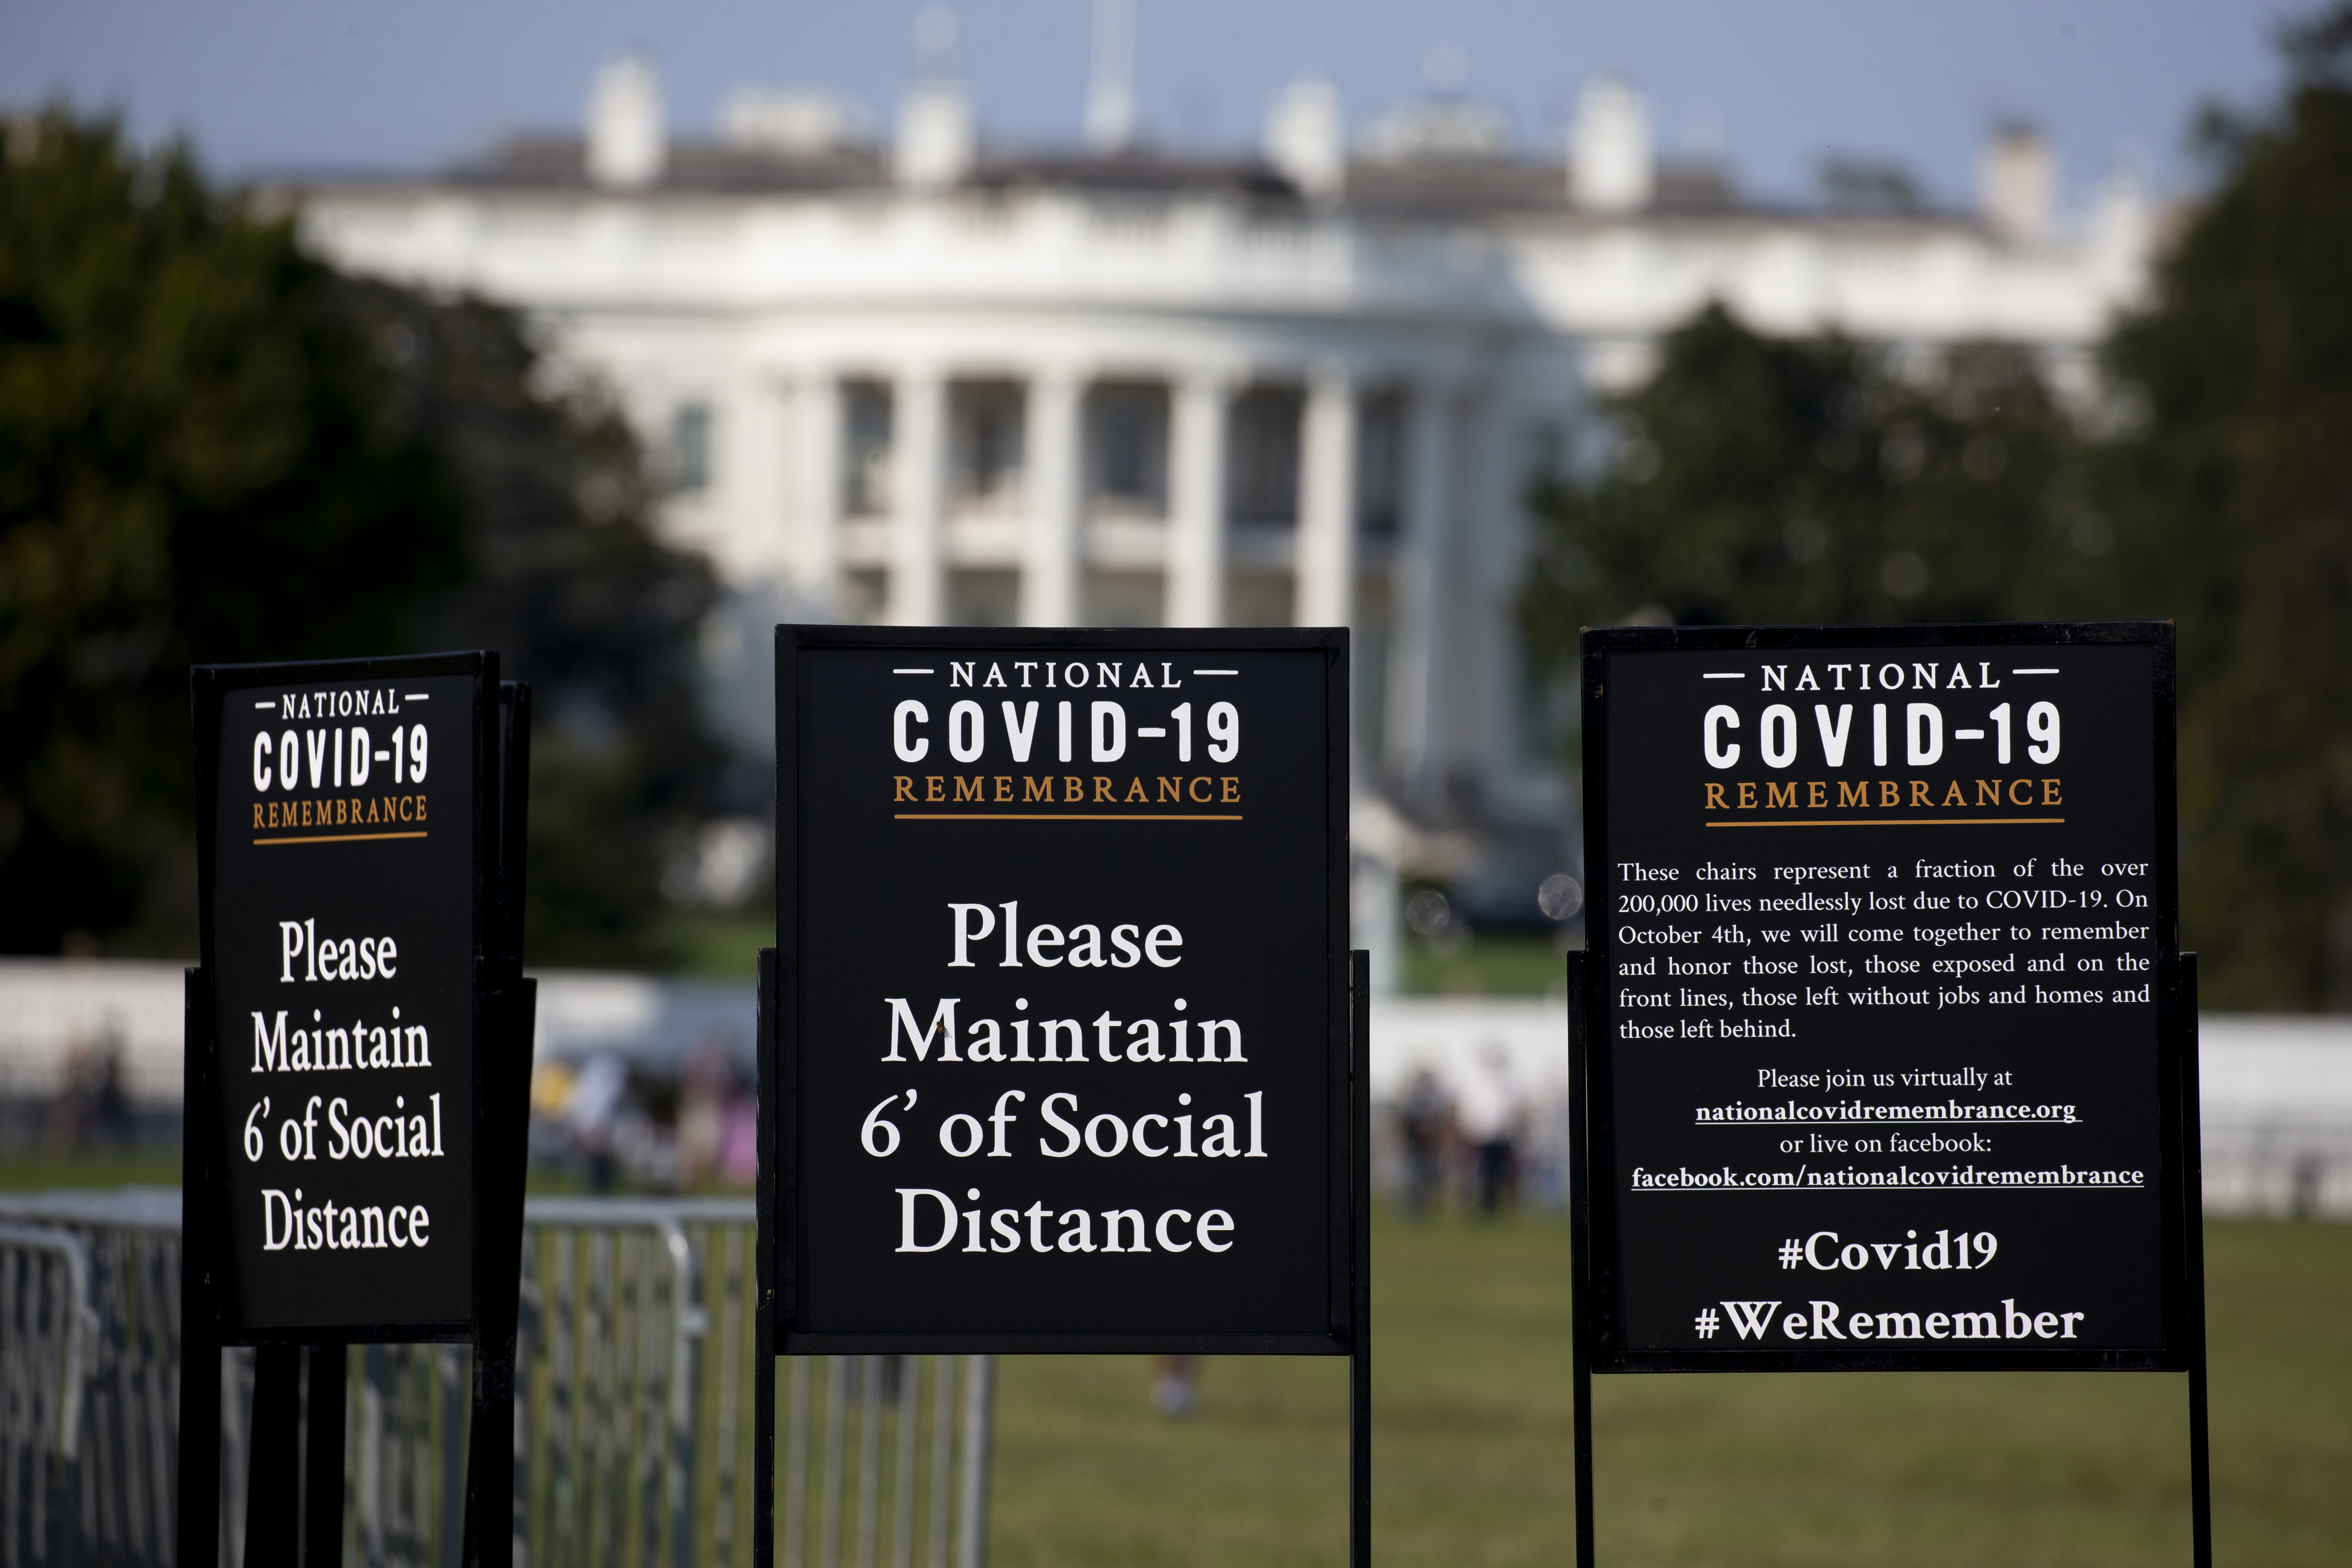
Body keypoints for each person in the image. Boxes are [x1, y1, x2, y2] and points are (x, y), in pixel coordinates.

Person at [1452, 1047, 1525, 1214]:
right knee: (1482, 1170)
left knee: (1495, 1171)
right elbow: (1472, 1108)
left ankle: (1491, 1202)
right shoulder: (1479, 1082)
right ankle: (1484, 1202)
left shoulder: (1504, 1082)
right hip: (1482, 1135)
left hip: (1496, 1135)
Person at [1398, 1067, 1449, 1215]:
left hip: (1428, 1144)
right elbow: (1406, 1121)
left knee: (1426, 1176)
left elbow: (1438, 1120)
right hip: (1414, 1144)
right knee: (1413, 1176)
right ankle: (1413, 1208)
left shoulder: (1434, 1098)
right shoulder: (1412, 1096)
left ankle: (1422, 1207)